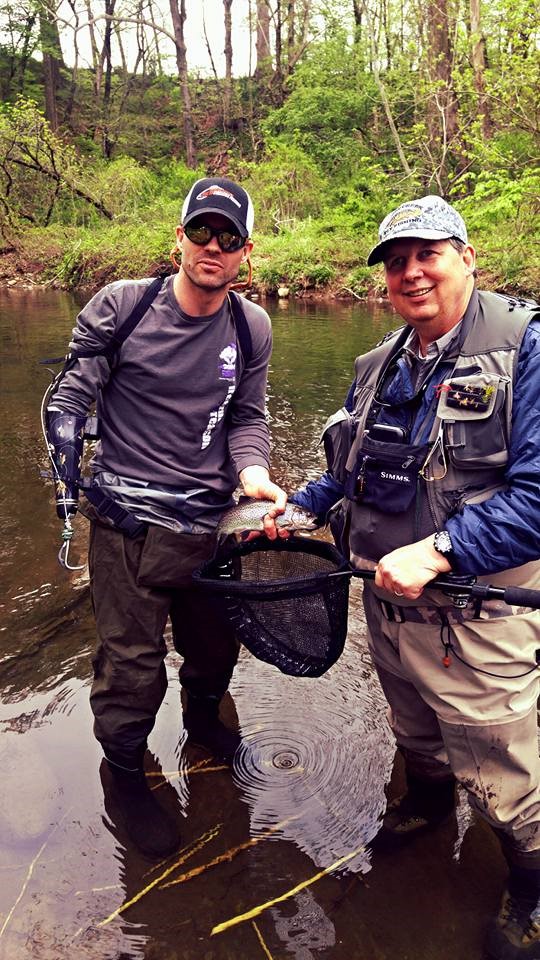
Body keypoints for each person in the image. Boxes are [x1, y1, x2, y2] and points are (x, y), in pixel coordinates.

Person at [290, 195, 540, 959]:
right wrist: (298, 509)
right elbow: (346, 472)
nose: (411, 273)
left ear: (468, 258)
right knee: (417, 736)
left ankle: (532, 886)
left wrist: (439, 552)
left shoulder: (527, 344)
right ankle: (427, 809)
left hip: (478, 616)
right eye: (395, 261)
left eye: (427, 253)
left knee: (504, 767)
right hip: (387, 608)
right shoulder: (377, 365)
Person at [45, 176, 286, 857]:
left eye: (228, 236)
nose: (214, 246)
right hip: (127, 527)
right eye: (201, 231)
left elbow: (248, 418)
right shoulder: (121, 307)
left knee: (214, 651)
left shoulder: (252, 326)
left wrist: (255, 474)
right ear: (177, 238)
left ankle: (205, 723)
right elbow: (72, 394)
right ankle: (124, 774)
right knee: (132, 667)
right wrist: (65, 461)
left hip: (211, 527)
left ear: (246, 252)